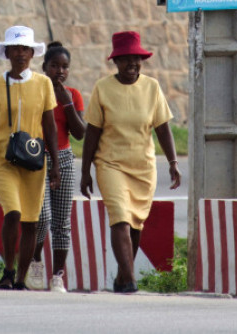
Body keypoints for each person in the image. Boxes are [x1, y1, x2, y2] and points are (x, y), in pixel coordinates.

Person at [80, 31, 181, 294]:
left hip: (143, 167)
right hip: (110, 164)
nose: (131, 64)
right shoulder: (103, 88)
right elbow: (92, 132)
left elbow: (162, 127)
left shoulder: (152, 87)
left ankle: (122, 278)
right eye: (125, 59)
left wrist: (172, 161)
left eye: (136, 59)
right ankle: (131, 279)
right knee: (120, 219)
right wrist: (85, 171)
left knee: (135, 224)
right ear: (116, 62)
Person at [0, 25, 60, 291]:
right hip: (2, 160)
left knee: (31, 220)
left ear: (32, 52)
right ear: (7, 52)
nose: (21, 53)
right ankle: (8, 270)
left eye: (25, 48)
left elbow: (50, 126)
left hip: (34, 161)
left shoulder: (44, 83)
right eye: (16, 48)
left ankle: (20, 278)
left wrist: (56, 163)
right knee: (12, 212)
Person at [29, 41, 85, 293]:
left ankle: (58, 276)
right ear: (44, 68)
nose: (60, 71)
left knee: (61, 222)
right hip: (38, 158)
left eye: (65, 67)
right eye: (54, 66)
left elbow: (80, 133)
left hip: (63, 158)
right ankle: (36, 259)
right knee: (42, 218)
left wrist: (67, 104)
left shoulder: (72, 94)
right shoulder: (35, 90)